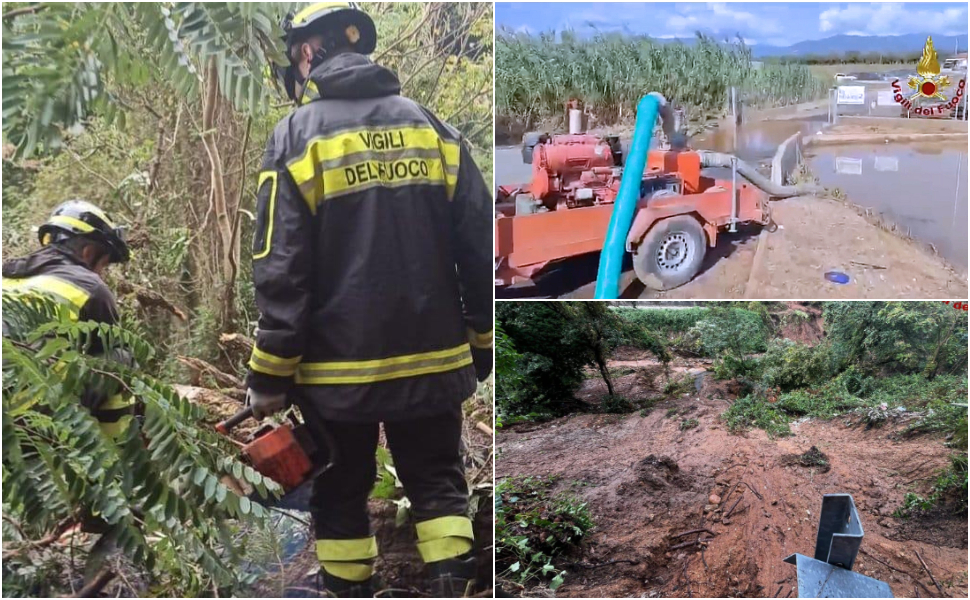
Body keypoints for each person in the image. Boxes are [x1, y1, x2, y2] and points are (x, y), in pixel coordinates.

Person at [245, 2, 493, 597]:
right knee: (438, 482)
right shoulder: (431, 128)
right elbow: (479, 243)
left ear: (309, 52)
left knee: (339, 488)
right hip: (435, 360)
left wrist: (270, 372)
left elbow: (280, 268)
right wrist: (480, 340)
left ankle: (347, 588)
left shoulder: (295, 138)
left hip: (335, 373)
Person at [2, 199, 134, 438]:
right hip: (35, 415)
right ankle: (115, 456)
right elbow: (107, 365)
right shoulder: (89, 287)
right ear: (88, 252)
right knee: (121, 358)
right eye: (103, 264)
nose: (101, 272)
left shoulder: (8, 275)